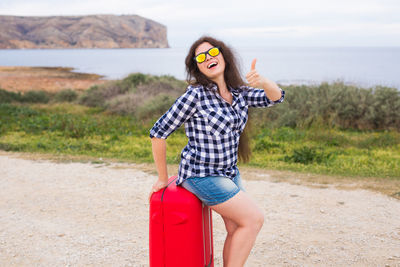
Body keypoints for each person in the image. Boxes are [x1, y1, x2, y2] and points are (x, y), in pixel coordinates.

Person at [149, 36, 285, 267]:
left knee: (236, 227)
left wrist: (263, 81)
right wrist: (163, 177)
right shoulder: (195, 95)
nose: (208, 58)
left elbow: (276, 98)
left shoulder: (238, 92)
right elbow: (158, 132)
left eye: (212, 52)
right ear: (197, 66)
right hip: (201, 174)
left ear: (223, 55)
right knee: (253, 219)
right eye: (201, 57)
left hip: (229, 172)